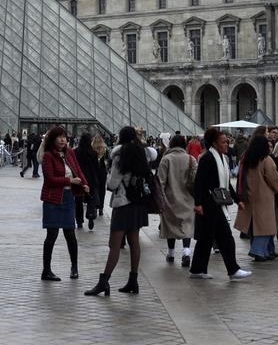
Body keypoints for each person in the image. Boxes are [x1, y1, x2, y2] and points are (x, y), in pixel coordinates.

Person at [86, 126, 159, 295]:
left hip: (123, 203)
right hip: (139, 203)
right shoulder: (144, 155)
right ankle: (133, 281)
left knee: (114, 244)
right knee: (134, 242)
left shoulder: (120, 157)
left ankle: (104, 282)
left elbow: (112, 184)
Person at [186, 127, 251, 281]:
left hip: (216, 203)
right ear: (214, 143)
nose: (227, 144)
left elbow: (226, 184)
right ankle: (231, 270)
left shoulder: (222, 158)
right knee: (221, 238)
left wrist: (237, 200)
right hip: (209, 204)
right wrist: (198, 203)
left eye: (227, 142)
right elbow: (199, 182)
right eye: (223, 142)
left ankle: (199, 269)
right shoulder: (208, 158)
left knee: (209, 239)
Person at [40, 126, 88, 282]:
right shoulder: (47, 156)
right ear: (53, 139)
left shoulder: (69, 152)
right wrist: (69, 180)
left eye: (64, 137)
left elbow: (78, 170)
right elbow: (50, 179)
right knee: (51, 235)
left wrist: (84, 184)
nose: (62, 139)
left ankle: (74, 267)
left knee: (70, 234)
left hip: (67, 198)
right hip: (53, 198)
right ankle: (46, 271)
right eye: (59, 137)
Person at [234, 131, 278, 261]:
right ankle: (258, 251)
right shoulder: (266, 159)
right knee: (265, 227)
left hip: (249, 195)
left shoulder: (247, 157)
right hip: (264, 197)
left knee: (255, 226)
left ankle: (266, 251)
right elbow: (273, 179)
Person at [157, 134, 197, 267]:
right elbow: (196, 179)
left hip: (170, 199)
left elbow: (160, 181)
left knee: (170, 226)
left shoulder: (166, 159)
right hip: (188, 199)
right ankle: (186, 252)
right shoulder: (191, 159)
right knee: (186, 225)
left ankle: (171, 253)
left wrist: (160, 198)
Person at [91, 136, 109, 220]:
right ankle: (101, 208)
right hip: (103, 172)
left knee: (95, 189)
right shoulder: (105, 150)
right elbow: (108, 161)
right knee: (102, 189)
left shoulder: (92, 149)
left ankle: (95, 205)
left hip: (94, 171)